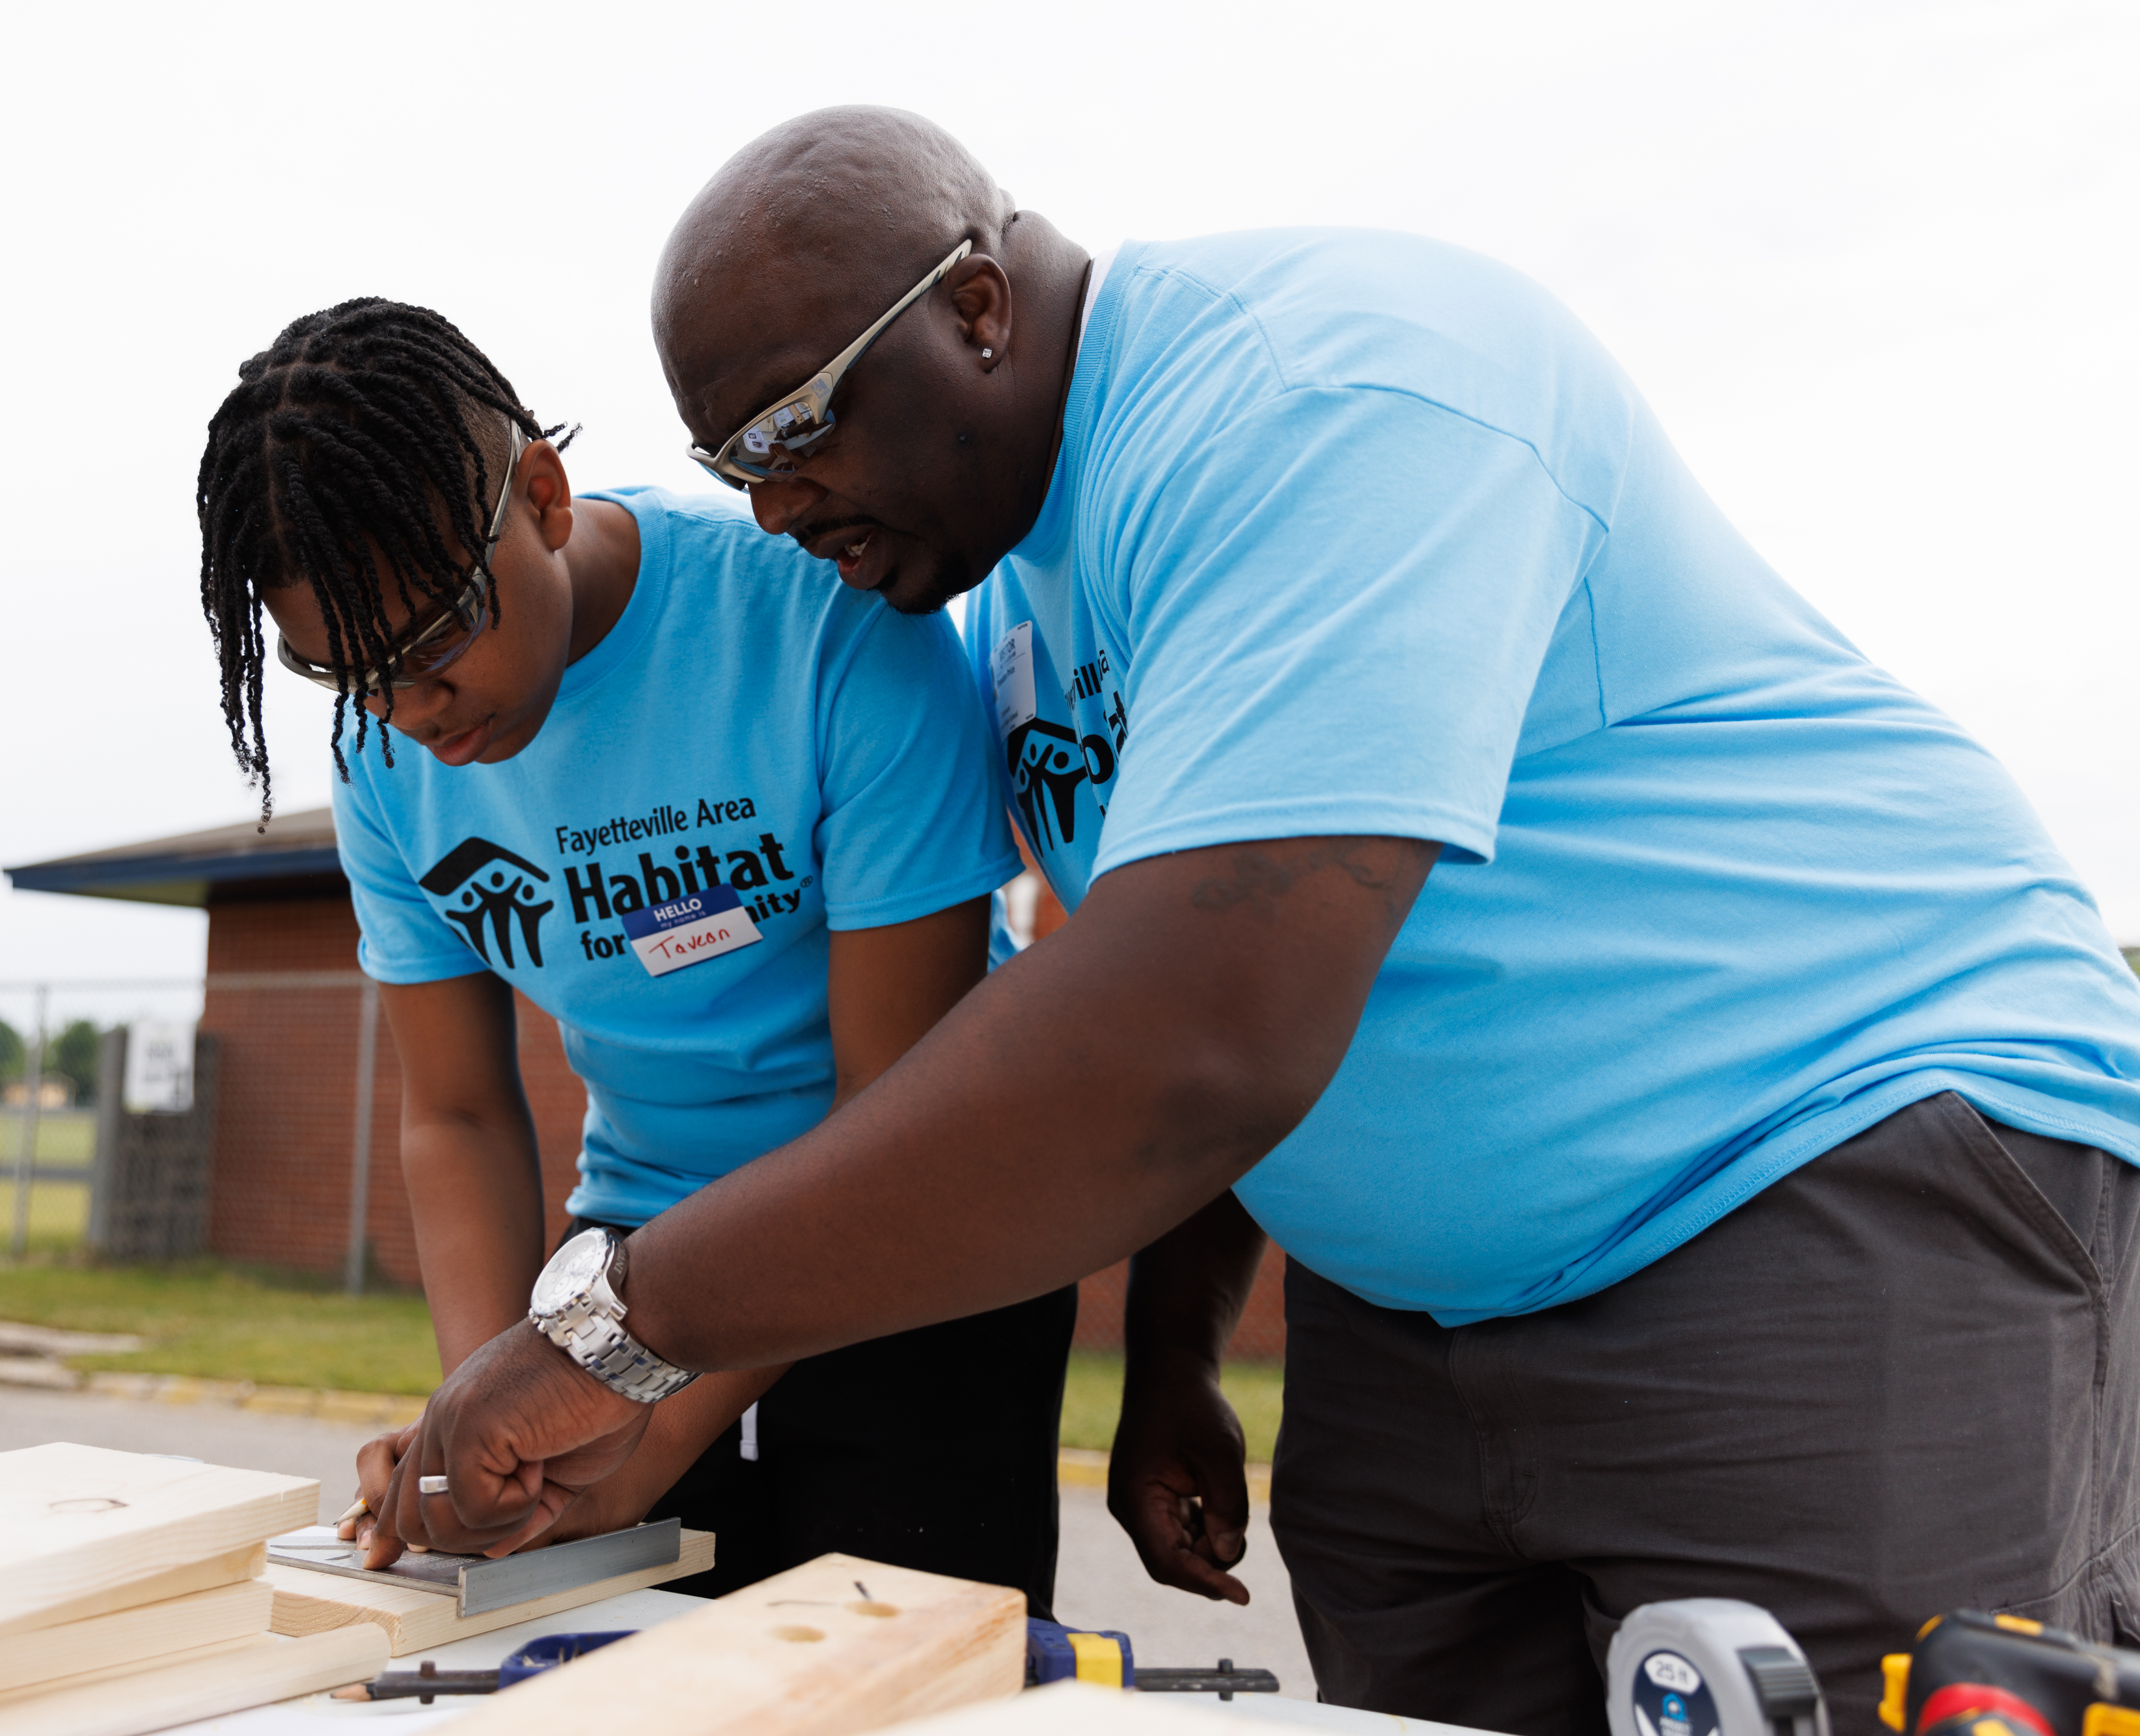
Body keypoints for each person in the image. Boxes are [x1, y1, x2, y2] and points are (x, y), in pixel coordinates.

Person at [370, 111, 2140, 1735]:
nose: (770, 502)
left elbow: (1189, 1040)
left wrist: (618, 1325)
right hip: (1419, 1320)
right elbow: (1157, 993)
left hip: (1802, 1182)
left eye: (793, 425)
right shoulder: (1022, 592)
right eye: (725, 458)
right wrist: (1175, 1347)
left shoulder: (1326, 392)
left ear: (976, 305)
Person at [191, 297, 1069, 1610]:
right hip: (637, 1251)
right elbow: (458, 1108)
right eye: (348, 677)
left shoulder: (825, 628)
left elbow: (888, 1111)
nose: (409, 716)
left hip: (921, 1238)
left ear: (539, 494)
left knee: (891, 1665)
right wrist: (478, 1421)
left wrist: (635, 1419)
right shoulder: (387, 762)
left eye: (432, 644)